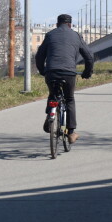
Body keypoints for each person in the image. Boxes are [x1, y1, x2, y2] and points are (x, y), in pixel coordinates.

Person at [35, 14, 94, 144]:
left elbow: (39, 55)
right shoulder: (76, 36)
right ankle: (71, 132)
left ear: (57, 24)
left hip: (52, 72)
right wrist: (87, 72)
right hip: (69, 73)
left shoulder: (50, 35)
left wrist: (42, 70)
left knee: (53, 94)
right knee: (69, 99)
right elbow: (89, 56)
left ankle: (50, 115)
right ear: (70, 25)